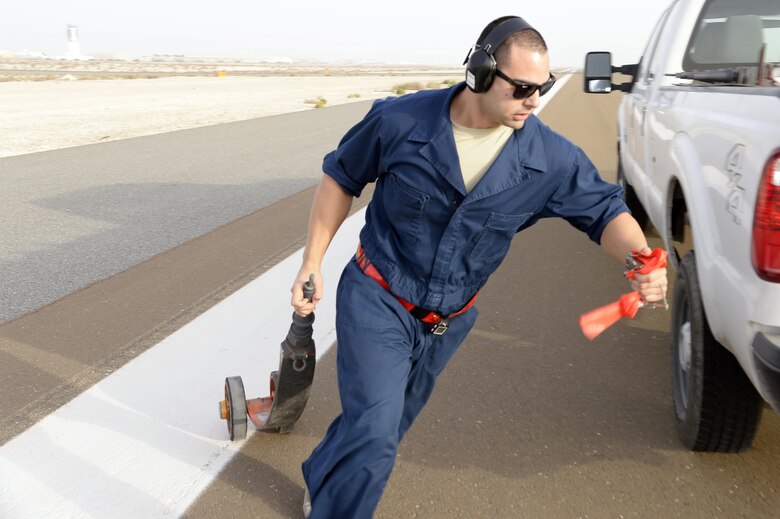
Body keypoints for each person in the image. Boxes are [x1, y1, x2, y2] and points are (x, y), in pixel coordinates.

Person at [290, 15, 668, 518]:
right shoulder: (400, 122)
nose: (534, 100)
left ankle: (323, 475)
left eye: (544, 87)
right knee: (377, 435)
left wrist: (642, 260)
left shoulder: (549, 158)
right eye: (522, 88)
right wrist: (311, 259)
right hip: (377, 296)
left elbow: (605, 211)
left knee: (382, 425)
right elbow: (341, 178)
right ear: (480, 71)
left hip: (449, 321)